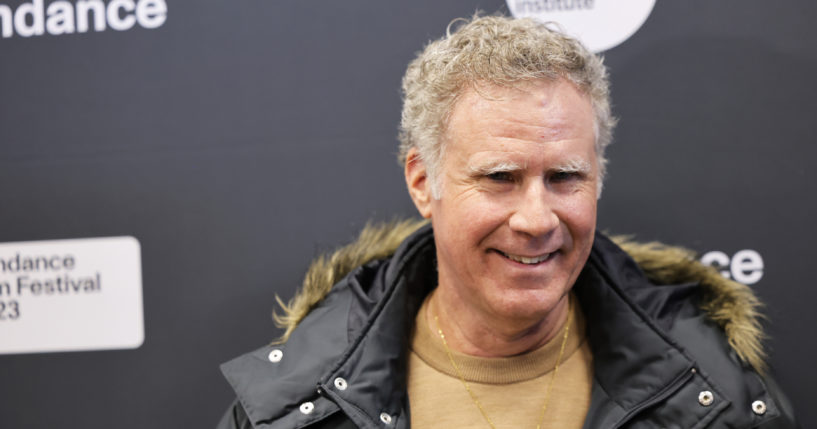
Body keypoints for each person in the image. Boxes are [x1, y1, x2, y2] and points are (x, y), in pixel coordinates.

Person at [217, 14, 798, 429]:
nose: (536, 219)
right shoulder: (298, 408)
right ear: (422, 182)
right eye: (499, 177)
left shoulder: (715, 395)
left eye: (564, 177)